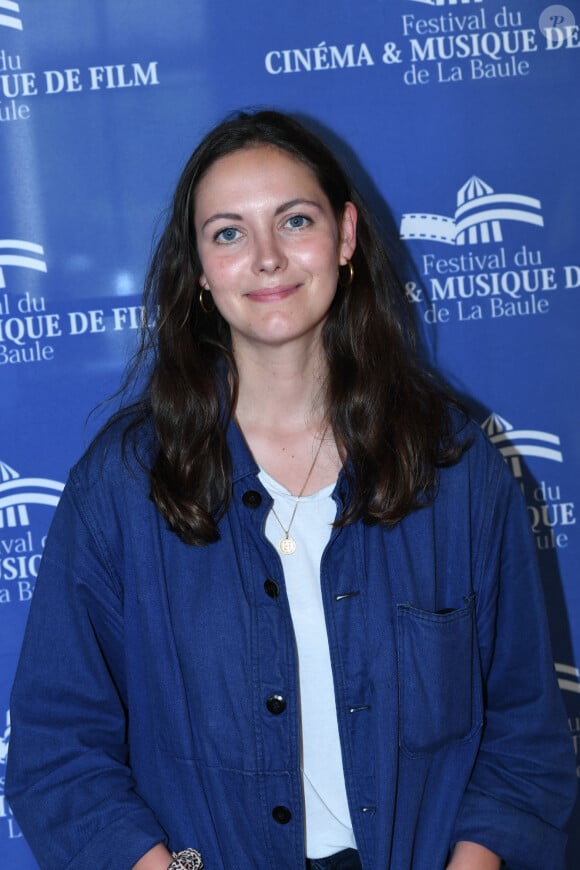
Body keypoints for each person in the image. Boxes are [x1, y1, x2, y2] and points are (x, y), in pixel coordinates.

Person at [5, 110, 576, 870]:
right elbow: (56, 752)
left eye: (294, 220)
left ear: (344, 237)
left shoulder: (455, 464)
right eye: (229, 233)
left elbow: (524, 736)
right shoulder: (122, 483)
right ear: (200, 270)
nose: (267, 258)